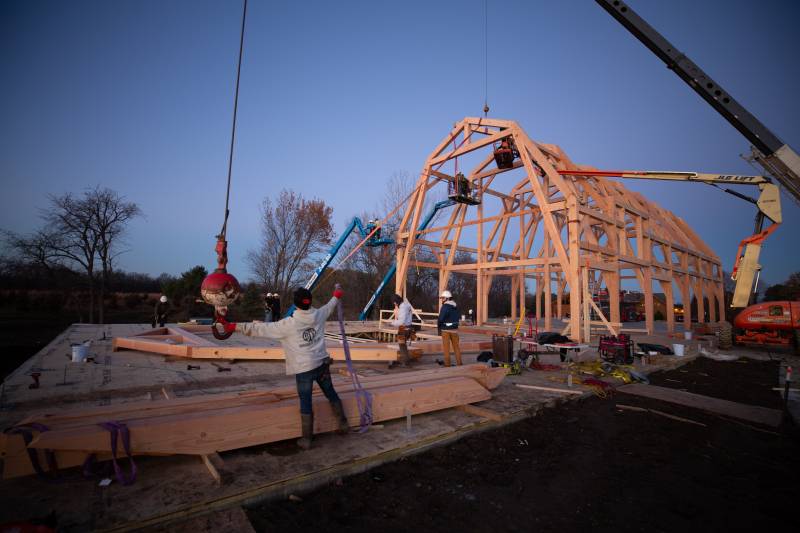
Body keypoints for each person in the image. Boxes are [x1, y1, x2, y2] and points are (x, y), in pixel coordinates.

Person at [220, 286, 349, 450]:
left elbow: (260, 329)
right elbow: (329, 306)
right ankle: (343, 424)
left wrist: (234, 327)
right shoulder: (319, 315)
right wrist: (336, 295)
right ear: (310, 302)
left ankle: (307, 440)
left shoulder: (288, 325)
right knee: (331, 393)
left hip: (304, 370)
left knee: (306, 401)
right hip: (322, 364)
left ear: (295, 305)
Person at [390, 293, 416, 367]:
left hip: (404, 328)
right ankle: (405, 359)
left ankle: (405, 362)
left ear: (397, 301)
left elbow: (401, 321)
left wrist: (392, 323)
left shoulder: (402, 308)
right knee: (403, 344)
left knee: (402, 345)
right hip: (409, 327)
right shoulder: (407, 305)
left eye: (394, 302)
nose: (394, 304)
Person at [437, 290, 462, 366]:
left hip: (445, 330)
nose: (442, 299)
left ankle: (447, 365)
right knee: (456, 348)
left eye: (443, 298)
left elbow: (441, 318)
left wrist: (439, 328)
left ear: (447, 298)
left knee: (446, 349)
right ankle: (459, 363)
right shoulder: (455, 306)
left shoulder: (445, 307)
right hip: (455, 330)